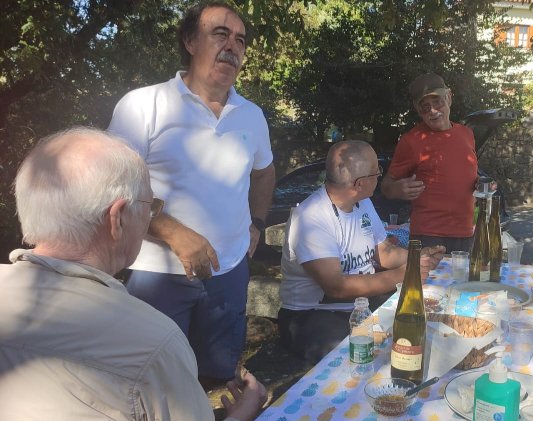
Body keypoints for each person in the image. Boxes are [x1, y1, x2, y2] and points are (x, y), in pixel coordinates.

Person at [0, 128, 266, 421]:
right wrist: (241, 417)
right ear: (118, 219)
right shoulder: (153, 341)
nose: (150, 218)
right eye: (151, 207)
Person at [107, 2, 275, 386]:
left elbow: (265, 173)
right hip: (158, 275)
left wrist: (257, 223)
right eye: (220, 34)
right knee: (153, 383)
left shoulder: (251, 115)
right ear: (190, 41)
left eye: (240, 40)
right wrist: (174, 233)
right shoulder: (144, 105)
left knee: (216, 379)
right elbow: (114, 185)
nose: (232, 47)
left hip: (229, 273)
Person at [279, 140, 445, 362]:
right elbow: (336, 287)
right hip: (311, 316)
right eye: (377, 173)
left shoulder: (362, 203)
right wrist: (404, 274)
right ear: (360, 183)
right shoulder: (311, 217)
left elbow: (384, 252)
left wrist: (419, 258)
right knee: (369, 354)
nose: (379, 177)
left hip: (359, 306)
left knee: (420, 327)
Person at [381, 72, 478, 252]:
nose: (432, 111)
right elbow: (386, 186)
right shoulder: (411, 141)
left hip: (465, 232)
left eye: (437, 102)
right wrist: (396, 189)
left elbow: (463, 174)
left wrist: (481, 185)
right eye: (425, 107)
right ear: (418, 111)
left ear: (449, 97)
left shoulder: (467, 134)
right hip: (428, 235)